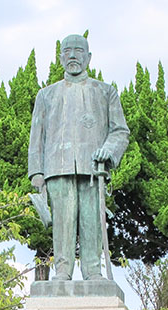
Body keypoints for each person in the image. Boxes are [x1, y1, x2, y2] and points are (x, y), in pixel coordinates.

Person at [28, 34, 130, 281]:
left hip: (93, 168)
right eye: (67, 51)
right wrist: (36, 172)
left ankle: (93, 270)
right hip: (57, 166)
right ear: (60, 57)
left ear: (89, 57)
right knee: (63, 221)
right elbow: (36, 136)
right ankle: (62, 270)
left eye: (78, 50)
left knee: (91, 221)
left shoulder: (105, 92)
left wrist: (109, 149)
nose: (72, 56)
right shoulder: (47, 95)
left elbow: (120, 131)